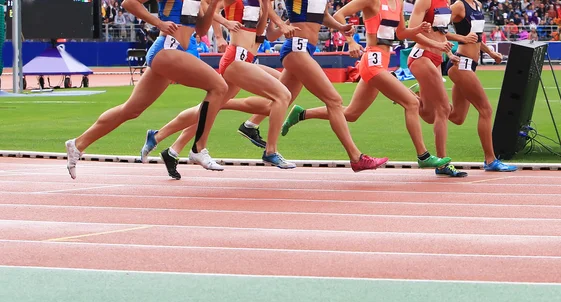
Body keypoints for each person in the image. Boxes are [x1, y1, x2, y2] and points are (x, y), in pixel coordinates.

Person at [279, 0, 453, 169]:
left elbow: (400, 33)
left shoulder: (398, 3)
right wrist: (351, 41)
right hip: (372, 60)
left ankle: (302, 114)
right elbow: (340, 15)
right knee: (412, 103)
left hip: (382, 61)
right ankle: (423, 156)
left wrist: (417, 30)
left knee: (351, 113)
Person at [65, 0, 228, 179]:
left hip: (183, 51)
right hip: (167, 50)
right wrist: (158, 23)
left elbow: (202, 31)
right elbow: (129, 3)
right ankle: (199, 147)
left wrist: (212, 6)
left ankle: (78, 144)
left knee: (131, 110)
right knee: (219, 87)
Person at [219, 0, 389, 171]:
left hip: (305, 49)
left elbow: (322, 16)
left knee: (274, 104)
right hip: (296, 49)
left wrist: (340, 27)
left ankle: (226, 111)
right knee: (334, 100)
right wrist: (280, 24)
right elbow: (266, 4)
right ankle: (356, 157)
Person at [141, 0, 296, 176]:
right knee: (282, 94)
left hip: (247, 60)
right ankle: (268, 148)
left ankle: (169, 147)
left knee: (209, 109)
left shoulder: (263, 3)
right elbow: (208, 8)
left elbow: (263, 35)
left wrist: (276, 16)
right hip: (235, 61)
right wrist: (221, 33)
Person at [445, 0, 516, 172]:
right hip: (461, 63)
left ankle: (419, 100)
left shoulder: (476, 4)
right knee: (486, 110)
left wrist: (490, 52)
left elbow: (475, 38)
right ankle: (490, 160)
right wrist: (461, 38)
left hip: (470, 64)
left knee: (457, 117)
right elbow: (437, 30)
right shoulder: (459, 6)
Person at [406, 0, 464, 176]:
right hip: (422, 56)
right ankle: (442, 163)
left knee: (430, 116)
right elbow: (411, 33)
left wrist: (448, 53)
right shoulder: (424, 1)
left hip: (436, 57)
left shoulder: (446, 3)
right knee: (444, 108)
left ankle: (408, 97)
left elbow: (441, 33)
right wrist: (437, 45)